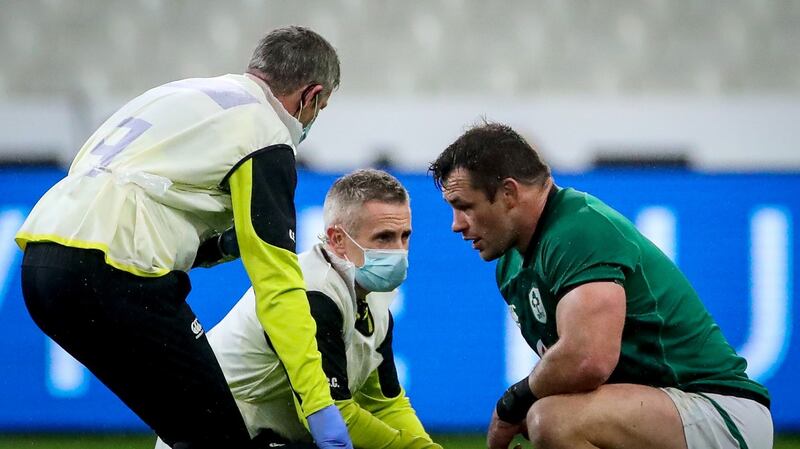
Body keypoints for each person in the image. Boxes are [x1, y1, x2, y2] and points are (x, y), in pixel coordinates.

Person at [16, 26, 351, 449]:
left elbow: (137, 190)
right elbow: (279, 288)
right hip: (114, 272)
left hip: (43, 262)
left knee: (194, 430)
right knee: (218, 438)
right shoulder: (266, 132)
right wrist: (318, 404)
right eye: (322, 106)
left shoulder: (180, 94)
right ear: (311, 96)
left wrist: (215, 246)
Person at [429, 123, 772, 449]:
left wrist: (512, 403)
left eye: (464, 207)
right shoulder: (511, 264)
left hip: (719, 412)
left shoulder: (578, 229)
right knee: (551, 414)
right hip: (666, 409)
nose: (457, 225)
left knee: (553, 420)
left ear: (508, 193)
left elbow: (587, 359)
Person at [156, 169, 441, 449]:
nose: (399, 251)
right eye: (384, 238)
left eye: (405, 236)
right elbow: (332, 415)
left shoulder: (374, 300)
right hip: (212, 436)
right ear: (338, 240)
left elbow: (385, 402)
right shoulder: (313, 294)